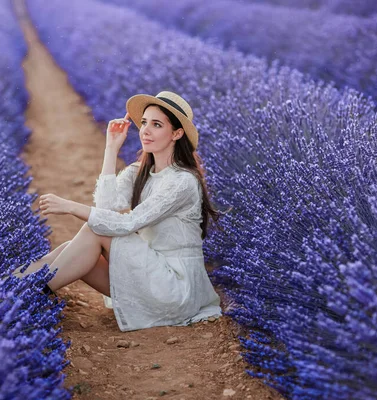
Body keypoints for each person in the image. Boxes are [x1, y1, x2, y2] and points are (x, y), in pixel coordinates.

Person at [13, 91, 223, 332]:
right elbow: (105, 210)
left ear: (177, 133)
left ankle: (26, 297)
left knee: (93, 233)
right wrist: (111, 148)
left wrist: (70, 207)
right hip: (148, 274)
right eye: (144, 123)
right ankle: (10, 286)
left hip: (175, 288)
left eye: (156, 125)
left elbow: (125, 224)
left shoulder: (182, 181)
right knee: (72, 249)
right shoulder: (139, 171)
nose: (145, 130)